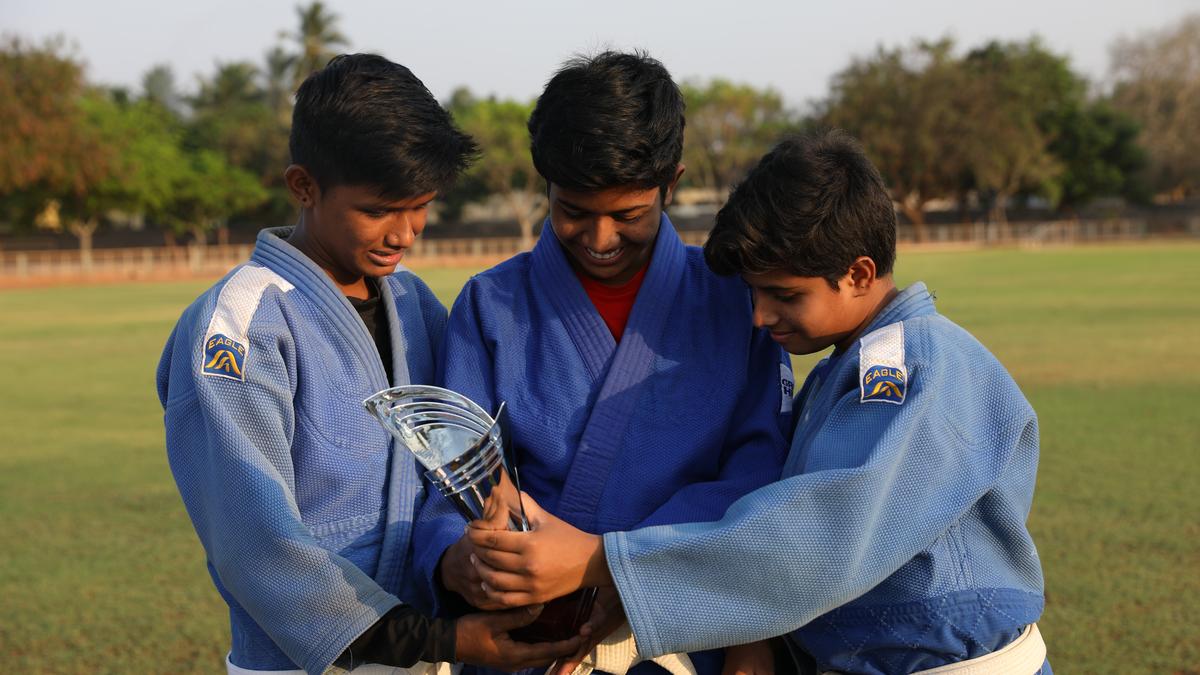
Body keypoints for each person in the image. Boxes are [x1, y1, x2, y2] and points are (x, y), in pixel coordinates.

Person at [465, 131, 1051, 674]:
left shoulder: (915, 365)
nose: (760, 316)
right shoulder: (846, 369)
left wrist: (604, 560)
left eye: (784, 294)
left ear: (859, 273)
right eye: (754, 292)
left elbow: (825, 533)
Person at [157, 54, 581, 675]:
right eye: (379, 209)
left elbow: (464, 454)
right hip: (305, 662)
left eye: (421, 206)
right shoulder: (243, 323)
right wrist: (434, 642)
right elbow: (254, 539)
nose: (405, 233)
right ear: (303, 186)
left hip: (430, 649)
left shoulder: (412, 302)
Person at [410, 51, 792, 675]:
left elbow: (760, 474)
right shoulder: (491, 304)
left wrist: (621, 567)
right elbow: (450, 481)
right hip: (531, 640)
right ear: (548, 188)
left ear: (672, 181)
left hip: (682, 632)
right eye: (574, 212)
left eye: (629, 214)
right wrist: (463, 560)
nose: (601, 238)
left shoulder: (736, 302)